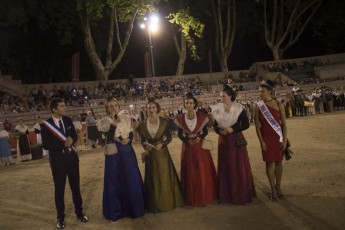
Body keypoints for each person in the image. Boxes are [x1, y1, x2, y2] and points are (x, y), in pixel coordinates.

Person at [40, 98, 88, 229]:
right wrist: (62, 144)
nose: (65, 107)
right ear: (54, 109)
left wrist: (71, 140)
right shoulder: (46, 125)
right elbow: (46, 145)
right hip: (57, 162)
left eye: (64, 105)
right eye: (62, 106)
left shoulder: (67, 120)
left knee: (76, 188)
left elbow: (73, 134)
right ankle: (60, 218)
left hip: (72, 159)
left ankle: (79, 213)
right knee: (59, 190)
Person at [100, 98, 145, 222]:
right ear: (107, 109)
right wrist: (113, 125)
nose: (114, 107)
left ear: (119, 106)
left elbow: (130, 132)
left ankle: (134, 208)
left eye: (115, 105)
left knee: (131, 177)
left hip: (127, 151)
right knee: (115, 180)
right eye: (111, 106)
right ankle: (116, 210)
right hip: (114, 154)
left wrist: (129, 139)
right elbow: (108, 138)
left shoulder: (126, 118)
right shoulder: (105, 121)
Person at [137, 98, 184, 212]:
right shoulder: (142, 124)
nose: (151, 110)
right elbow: (143, 140)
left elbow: (169, 137)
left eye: (153, 107)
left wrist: (162, 144)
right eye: (149, 108)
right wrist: (145, 146)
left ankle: (168, 202)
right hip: (151, 155)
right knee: (152, 178)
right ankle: (153, 204)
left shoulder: (164, 121)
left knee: (164, 176)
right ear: (146, 110)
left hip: (162, 153)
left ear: (157, 108)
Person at [211, 85, 256, 204]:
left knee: (237, 165)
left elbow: (246, 124)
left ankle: (240, 194)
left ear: (230, 96)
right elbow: (214, 125)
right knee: (225, 165)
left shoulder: (239, 108)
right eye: (221, 96)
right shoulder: (217, 109)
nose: (221, 98)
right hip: (223, 141)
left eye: (223, 96)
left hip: (236, 139)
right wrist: (219, 131)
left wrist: (233, 129)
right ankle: (226, 195)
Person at [174, 93, 218, 206]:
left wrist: (199, 137)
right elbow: (180, 134)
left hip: (200, 147)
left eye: (190, 103)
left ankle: (204, 195)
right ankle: (191, 197)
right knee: (190, 171)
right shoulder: (180, 117)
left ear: (194, 104)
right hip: (188, 148)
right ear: (184, 104)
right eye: (187, 103)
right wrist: (187, 140)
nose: (188, 105)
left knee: (201, 169)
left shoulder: (201, 115)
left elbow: (205, 130)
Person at [254, 81, 288, 201]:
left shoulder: (279, 105)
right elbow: (257, 127)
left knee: (279, 162)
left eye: (262, 91)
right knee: (269, 163)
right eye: (259, 92)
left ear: (269, 92)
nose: (260, 94)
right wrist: (261, 142)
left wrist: (284, 141)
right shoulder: (258, 106)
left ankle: (278, 187)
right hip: (266, 139)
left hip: (278, 138)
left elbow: (284, 124)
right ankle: (272, 188)